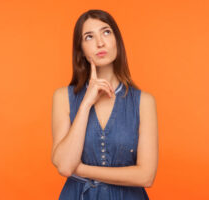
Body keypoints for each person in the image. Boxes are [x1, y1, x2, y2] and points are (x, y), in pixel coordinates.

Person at [51, 9, 158, 200]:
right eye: (89, 37)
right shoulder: (62, 97)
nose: (100, 42)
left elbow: (146, 176)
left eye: (106, 32)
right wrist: (86, 104)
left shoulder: (144, 102)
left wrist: (82, 169)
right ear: (81, 50)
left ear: (117, 40)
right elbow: (66, 166)